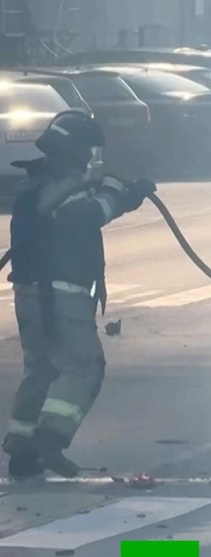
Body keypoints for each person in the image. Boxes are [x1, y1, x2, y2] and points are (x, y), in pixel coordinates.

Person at [2, 110, 156, 479]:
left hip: (29, 292)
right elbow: (85, 216)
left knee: (41, 369)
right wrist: (122, 194)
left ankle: (21, 448)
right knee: (83, 367)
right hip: (60, 294)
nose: (90, 159)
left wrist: (118, 194)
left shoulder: (36, 184)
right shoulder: (60, 186)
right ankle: (49, 438)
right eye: (87, 151)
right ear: (73, 150)